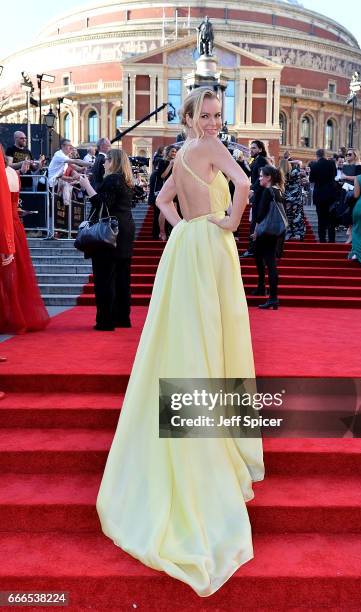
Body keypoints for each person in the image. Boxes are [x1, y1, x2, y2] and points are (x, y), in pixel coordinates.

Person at [96, 87, 264, 597]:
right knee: (216, 337)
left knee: (188, 336)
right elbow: (244, 184)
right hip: (210, 246)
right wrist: (230, 223)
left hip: (187, 246)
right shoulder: (212, 150)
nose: (214, 122)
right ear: (190, 115)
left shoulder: (180, 155)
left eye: (218, 115)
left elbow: (161, 200)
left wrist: (183, 227)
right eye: (206, 114)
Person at [79, 149, 136, 331]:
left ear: (113, 161)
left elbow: (102, 203)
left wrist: (86, 185)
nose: (103, 164)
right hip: (125, 229)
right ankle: (122, 317)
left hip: (110, 232)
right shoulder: (126, 181)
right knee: (122, 277)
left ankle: (106, 320)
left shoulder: (112, 179)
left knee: (105, 276)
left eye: (105, 160)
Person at [0, 148, 49, 334]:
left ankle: (6, 315)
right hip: (15, 226)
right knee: (16, 273)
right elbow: (14, 201)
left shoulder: (4, 174)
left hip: (4, 225)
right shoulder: (13, 173)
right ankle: (17, 314)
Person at [251, 166, 286, 309]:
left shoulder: (268, 191)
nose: (259, 178)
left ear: (268, 177)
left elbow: (261, 213)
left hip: (265, 231)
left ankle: (272, 297)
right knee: (262, 258)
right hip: (276, 232)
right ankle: (263, 288)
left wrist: (256, 230)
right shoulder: (279, 191)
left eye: (261, 176)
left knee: (269, 262)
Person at [241, 140, 269, 257]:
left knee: (256, 222)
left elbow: (260, 178)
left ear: (260, 149)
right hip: (257, 195)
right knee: (255, 221)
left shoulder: (261, 160)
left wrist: (253, 189)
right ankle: (254, 248)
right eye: (250, 148)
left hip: (260, 195)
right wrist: (242, 162)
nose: (251, 150)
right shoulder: (256, 160)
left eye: (254, 148)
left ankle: (253, 249)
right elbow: (248, 173)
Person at [148, 145, 177, 240]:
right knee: (161, 212)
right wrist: (170, 165)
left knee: (174, 212)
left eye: (175, 152)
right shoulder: (162, 162)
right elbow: (162, 176)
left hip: (175, 189)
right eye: (172, 151)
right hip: (164, 189)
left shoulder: (176, 163)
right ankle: (160, 232)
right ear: (168, 152)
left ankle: (171, 233)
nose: (174, 153)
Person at [309, 149, 337, 242]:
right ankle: (331, 240)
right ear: (325, 155)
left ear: (317, 156)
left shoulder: (314, 165)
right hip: (330, 194)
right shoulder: (331, 163)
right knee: (331, 218)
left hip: (319, 195)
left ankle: (322, 239)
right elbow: (335, 175)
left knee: (321, 218)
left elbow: (311, 179)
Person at [279, 158, 305, 240]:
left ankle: (289, 233)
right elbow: (300, 162)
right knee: (298, 215)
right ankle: (298, 234)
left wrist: (284, 162)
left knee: (288, 215)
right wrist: (289, 161)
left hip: (287, 197)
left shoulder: (281, 173)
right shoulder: (295, 172)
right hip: (296, 197)